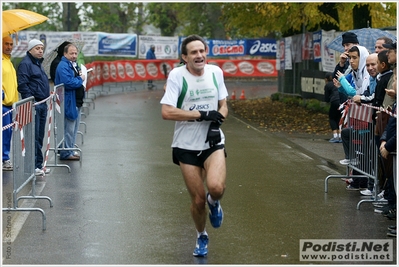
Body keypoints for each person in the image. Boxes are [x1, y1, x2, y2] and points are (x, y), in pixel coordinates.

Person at [160, 34, 228, 257]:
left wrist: (218, 120)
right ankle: (201, 236)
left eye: (202, 51)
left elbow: (223, 105)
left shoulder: (216, 72)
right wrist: (200, 114)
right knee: (198, 200)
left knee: (216, 188)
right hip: (185, 145)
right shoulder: (177, 76)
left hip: (212, 141)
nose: (199, 56)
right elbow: (167, 112)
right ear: (185, 57)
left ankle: (214, 202)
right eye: (194, 52)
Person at [17, 39, 51, 176]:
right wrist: (31, 101)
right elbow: (23, 85)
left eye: (42, 48)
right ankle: (32, 166)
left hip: (43, 104)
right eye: (37, 48)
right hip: (34, 105)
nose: (40, 51)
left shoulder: (39, 64)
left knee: (40, 136)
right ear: (30, 50)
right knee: (34, 136)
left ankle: (38, 165)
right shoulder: (26, 64)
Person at [55, 44, 85, 160]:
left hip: (75, 101)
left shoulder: (73, 64)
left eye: (75, 53)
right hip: (68, 101)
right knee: (69, 128)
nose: (74, 56)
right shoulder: (63, 66)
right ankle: (66, 152)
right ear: (65, 54)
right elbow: (68, 83)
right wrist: (80, 79)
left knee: (74, 128)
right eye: (71, 53)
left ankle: (70, 150)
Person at [2, 36, 19, 171]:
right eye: (6, 44)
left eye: (11, 44)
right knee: (4, 133)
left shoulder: (9, 62)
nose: (9, 46)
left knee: (8, 133)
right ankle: (4, 159)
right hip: (3, 104)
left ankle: (5, 158)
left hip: (10, 104)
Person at [324, 72, 342, 143]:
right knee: (340, 117)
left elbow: (326, 98)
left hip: (334, 101)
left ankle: (335, 136)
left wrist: (327, 101)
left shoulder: (328, 85)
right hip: (341, 101)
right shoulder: (338, 83)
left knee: (332, 117)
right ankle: (341, 135)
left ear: (326, 79)